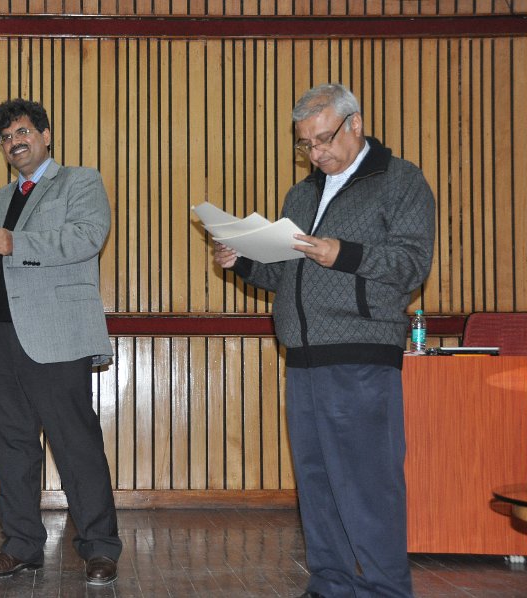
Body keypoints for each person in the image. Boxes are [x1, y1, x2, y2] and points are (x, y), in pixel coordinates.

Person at [214, 83, 435, 598]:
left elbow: (411, 264)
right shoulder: (303, 194)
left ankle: (385, 589)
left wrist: (343, 253)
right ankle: (330, 584)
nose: (316, 153)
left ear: (355, 123)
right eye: (306, 144)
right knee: (316, 482)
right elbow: (287, 274)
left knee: (368, 484)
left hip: (361, 353)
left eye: (324, 139)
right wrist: (243, 261)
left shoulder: (399, 180)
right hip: (303, 356)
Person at [0, 98, 121, 585]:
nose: (14, 142)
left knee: (76, 446)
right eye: (5, 138)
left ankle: (100, 548)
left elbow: (87, 236)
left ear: (45, 135)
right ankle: (20, 545)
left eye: (22, 132)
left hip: (56, 338)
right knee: (10, 448)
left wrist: (18, 243)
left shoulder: (80, 182)